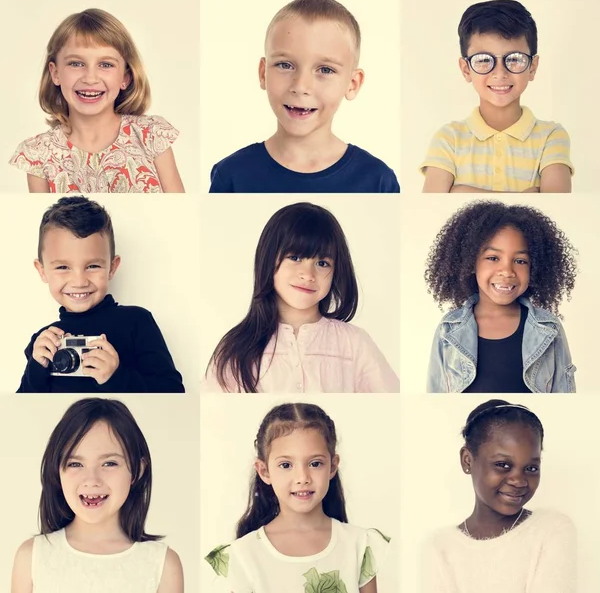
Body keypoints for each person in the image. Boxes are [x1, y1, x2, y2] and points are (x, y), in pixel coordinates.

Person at [209, 0, 399, 193]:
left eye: (325, 70)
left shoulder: (378, 181)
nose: (301, 86)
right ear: (263, 73)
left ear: (352, 84)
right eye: (285, 65)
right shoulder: (231, 174)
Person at [203, 202, 399, 392]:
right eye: (295, 258)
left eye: (322, 263)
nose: (308, 274)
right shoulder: (235, 348)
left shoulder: (355, 343)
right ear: (269, 260)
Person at [205, 402, 390, 592]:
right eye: (286, 465)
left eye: (315, 463)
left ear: (333, 466)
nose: (302, 478)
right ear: (264, 471)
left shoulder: (359, 545)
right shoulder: (243, 555)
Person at [10, 397, 183, 593]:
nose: (91, 479)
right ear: (57, 471)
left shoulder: (163, 565)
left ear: (137, 470)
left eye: (109, 463)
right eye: (75, 464)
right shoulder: (31, 557)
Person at [18, 196, 184, 392]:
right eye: (63, 267)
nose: (79, 281)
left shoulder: (137, 322)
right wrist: (36, 369)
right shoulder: (43, 341)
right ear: (42, 270)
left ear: (112, 268)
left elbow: (174, 391)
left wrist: (116, 377)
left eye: (93, 266)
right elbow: (27, 409)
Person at [9, 8, 184, 193]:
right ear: (55, 73)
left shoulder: (151, 136)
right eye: (76, 64)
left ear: (125, 77)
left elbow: (179, 209)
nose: (90, 78)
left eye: (105, 65)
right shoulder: (38, 153)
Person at [421, 399, 576, 593]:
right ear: (467, 460)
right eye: (503, 464)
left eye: (531, 468)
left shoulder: (551, 530)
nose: (518, 480)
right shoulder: (439, 548)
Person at [421, 0, 572, 193]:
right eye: (484, 59)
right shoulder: (448, 139)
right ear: (466, 69)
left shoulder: (551, 136)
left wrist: (461, 191)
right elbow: (435, 204)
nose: (500, 73)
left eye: (514, 59)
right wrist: (528, 195)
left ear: (532, 67)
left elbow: (555, 204)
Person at [425, 200, 577, 393]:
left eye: (520, 261)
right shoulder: (448, 329)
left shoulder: (549, 329)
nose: (507, 271)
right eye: (493, 258)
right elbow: (435, 394)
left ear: (535, 267)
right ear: (471, 262)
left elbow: (564, 394)